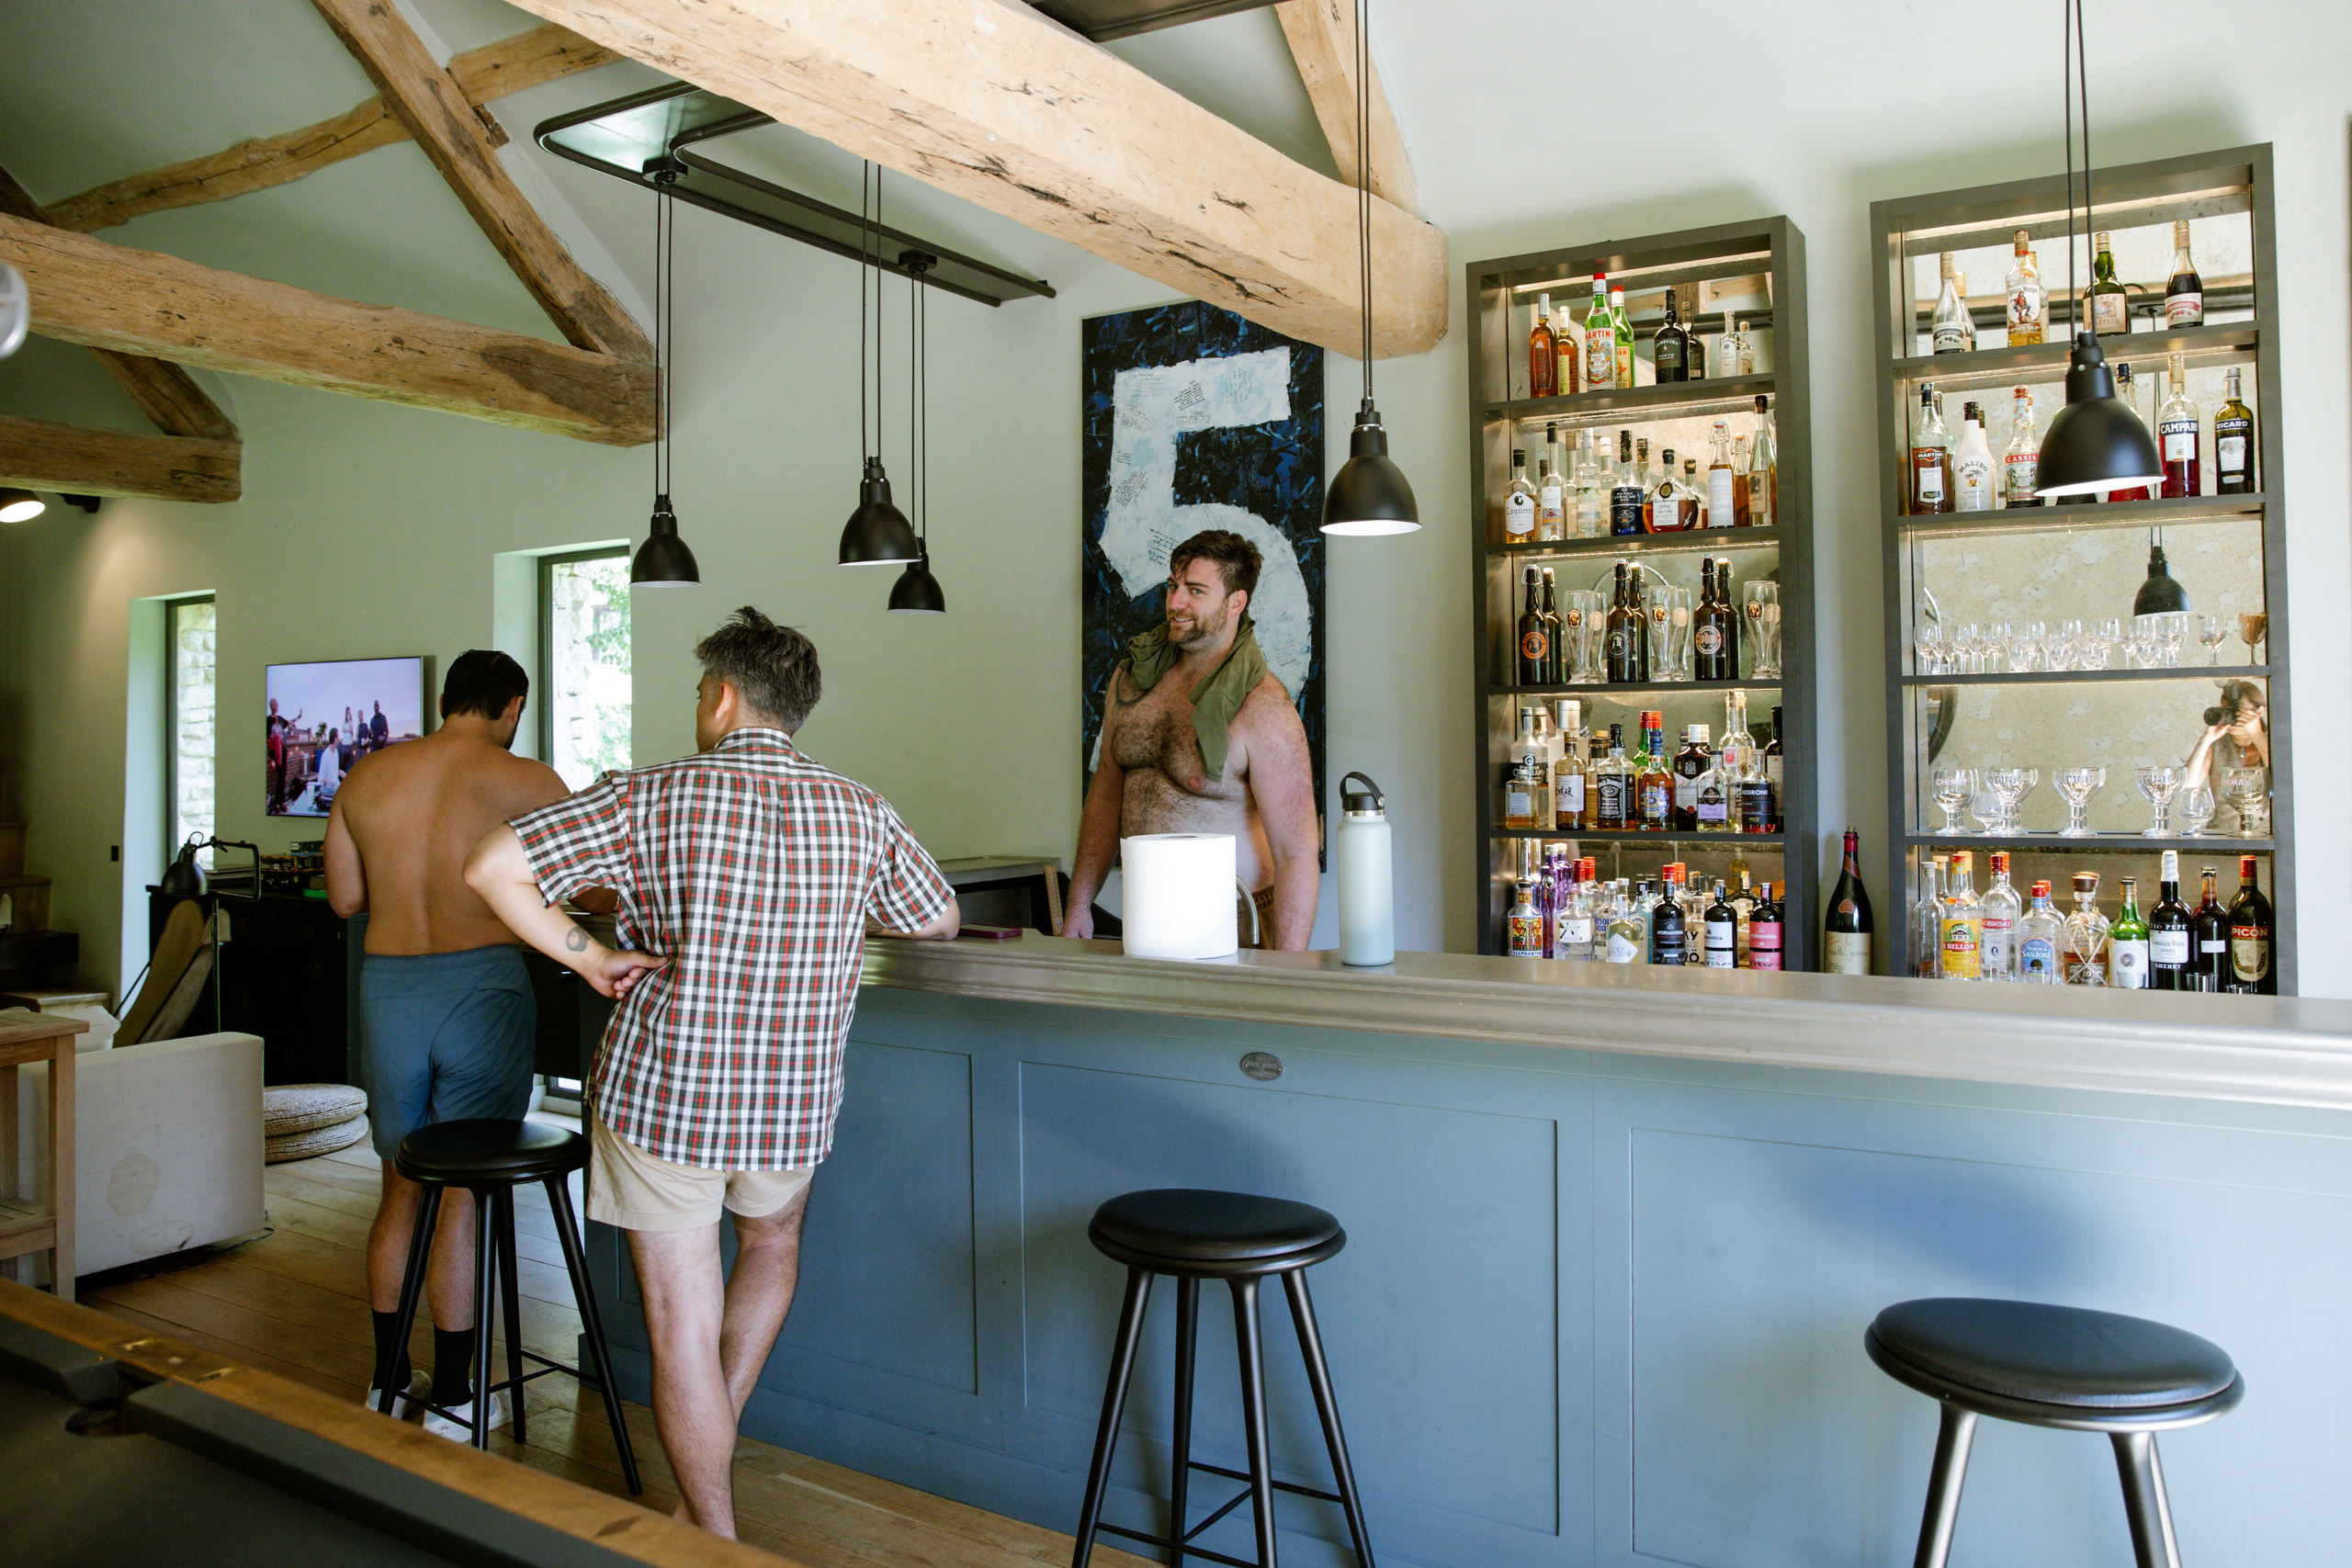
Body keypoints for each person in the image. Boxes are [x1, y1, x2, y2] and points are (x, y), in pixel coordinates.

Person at [464, 606, 959, 1539]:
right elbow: (933, 919)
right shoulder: (860, 809)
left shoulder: (648, 794)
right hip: (792, 1096)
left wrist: (587, 957)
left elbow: (492, 867)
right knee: (771, 1247)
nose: (698, 706)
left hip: (666, 1092)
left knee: (678, 1320)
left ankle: (713, 1535)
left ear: (725, 697)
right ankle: (705, 1504)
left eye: (699, 691)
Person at [325, 650, 579, 1439]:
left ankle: (388, 1379)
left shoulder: (367, 777)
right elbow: (580, 890)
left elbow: (346, 898)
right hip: (484, 989)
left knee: (401, 1181)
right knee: (462, 1194)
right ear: (513, 705)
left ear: (444, 701)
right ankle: (460, 1395)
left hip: (389, 986)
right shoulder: (530, 779)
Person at [1061, 529, 1319, 950]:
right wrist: (1079, 903)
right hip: (1147, 911)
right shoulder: (1132, 678)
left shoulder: (1264, 708)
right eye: (1173, 586)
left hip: (1237, 919)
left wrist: (1287, 972)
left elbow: (1297, 852)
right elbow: (1107, 792)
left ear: (1236, 602)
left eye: (1195, 590)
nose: (1175, 603)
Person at [2185, 677, 2269, 829]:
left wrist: (2257, 733)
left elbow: (2286, 778)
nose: (2233, 718)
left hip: (2266, 838)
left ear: (2260, 711)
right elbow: (2186, 787)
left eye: (2239, 711)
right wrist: (2206, 740)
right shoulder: (2217, 745)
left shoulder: (2274, 743)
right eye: (2227, 711)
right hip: (2223, 835)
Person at [312, 727, 345, 809]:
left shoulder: (336, 752)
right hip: (329, 791)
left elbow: (334, 770)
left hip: (337, 786)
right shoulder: (325, 755)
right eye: (338, 737)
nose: (339, 739)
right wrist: (326, 780)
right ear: (335, 739)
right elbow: (321, 778)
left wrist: (340, 772)